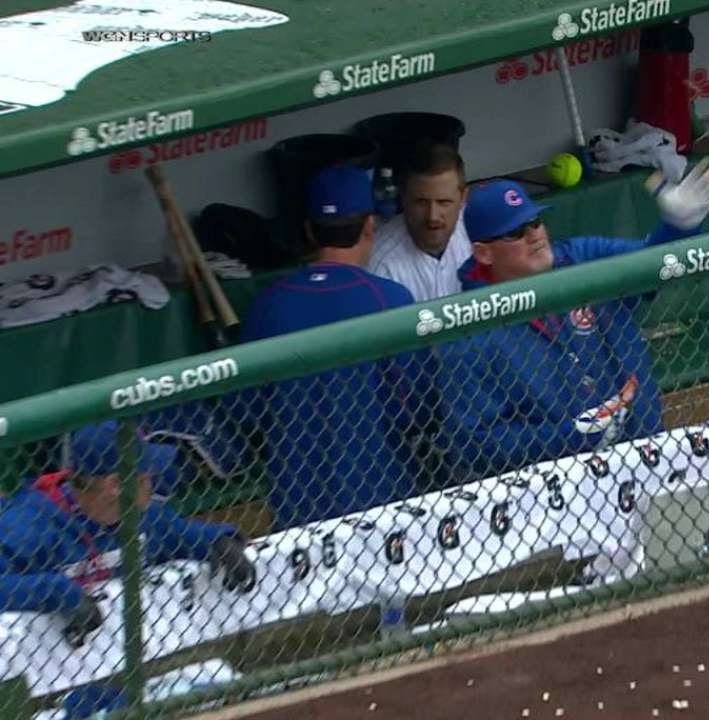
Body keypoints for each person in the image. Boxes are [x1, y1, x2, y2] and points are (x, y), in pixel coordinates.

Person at [435, 159, 709, 482]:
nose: (534, 235)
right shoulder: (466, 331)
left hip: (646, 460)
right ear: (484, 253)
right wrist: (569, 436)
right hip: (561, 496)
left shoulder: (583, 257)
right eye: (516, 232)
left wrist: (678, 227)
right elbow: (473, 442)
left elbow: (653, 266)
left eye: (535, 221)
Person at [242, 165, 438, 529]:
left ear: (309, 230)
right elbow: (418, 406)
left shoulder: (268, 304)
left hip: (294, 505)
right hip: (380, 499)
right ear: (369, 226)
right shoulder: (390, 299)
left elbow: (249, 411)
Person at [0, 421, 254, 648]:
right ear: (115, 486)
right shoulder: (28, 525)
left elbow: (182, 535)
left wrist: (220, 541)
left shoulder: (140, 515)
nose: (152, 484)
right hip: (47, 679)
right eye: (143, 479)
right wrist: (59, 594)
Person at [368, 143, 472, 301]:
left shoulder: (478, 234)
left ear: (463, 198)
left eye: (444, 202)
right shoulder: (381, 265)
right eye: (421, 202)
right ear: (403, 198)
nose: (432, 217)